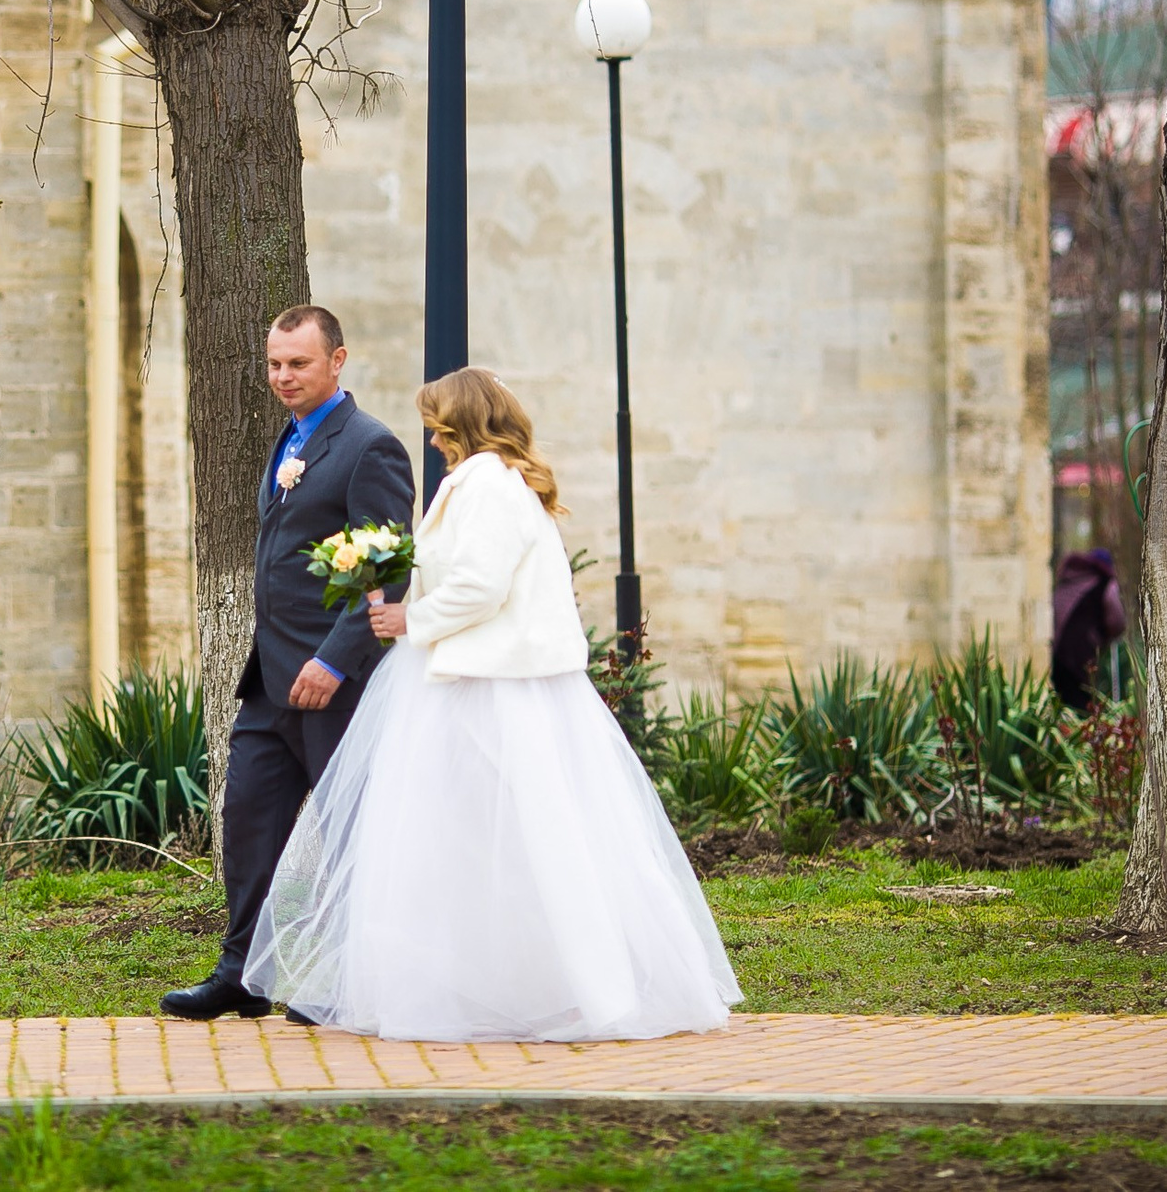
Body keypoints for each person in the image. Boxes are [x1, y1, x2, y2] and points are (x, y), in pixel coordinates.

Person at [243, 367, 741, 1041]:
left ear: (459, 422)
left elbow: (479, 586)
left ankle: (583, 988)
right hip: (474, 680)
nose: (429, 433)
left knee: (526, 840)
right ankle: (493, 982)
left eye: (436, 421)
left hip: (492, 689)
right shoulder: (490, 482)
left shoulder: (487, 485)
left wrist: (408, 620)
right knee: (480, 846)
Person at [160, 304, 416, 1022]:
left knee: (347, 834)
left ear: (337, 361)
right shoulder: (289, 439)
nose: (283, 376)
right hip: (269, 683)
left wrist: (334, 660)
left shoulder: (370, 447)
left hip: (333, 686)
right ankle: (244, 972)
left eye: (298, 363)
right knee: (247, 821)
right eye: (274, 363)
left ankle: (345, 978)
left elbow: (388, 567)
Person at [1050, 548, 1126, 712]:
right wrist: (1105, 636)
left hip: (1058, 655)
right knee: (1082, 705)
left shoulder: (1067, 581)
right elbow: (1117, 622)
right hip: (1083, 655)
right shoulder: (1105, 583)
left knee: (1062, 706)